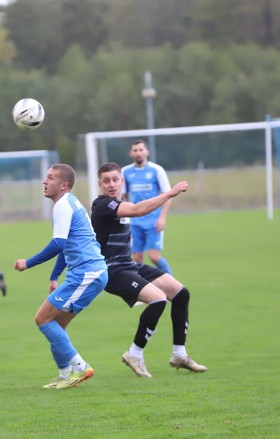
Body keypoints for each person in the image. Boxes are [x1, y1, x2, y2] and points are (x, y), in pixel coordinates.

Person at [92, 162, 207, 378]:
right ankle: (134, 354)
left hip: (129, 265)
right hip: (111, 271)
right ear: (100, 184)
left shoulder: (120, 202)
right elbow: (138, 210)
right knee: (158, 299)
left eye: (115, 179)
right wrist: (170, 193)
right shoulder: (102, 205)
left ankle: (179, 354)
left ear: (121, 181)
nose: (111, 184)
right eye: (106, 181)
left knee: (181, 294)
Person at [14, 164, 108, 389]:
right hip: (90, 272)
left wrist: (28, 263)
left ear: (64, 185)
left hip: (87, 273)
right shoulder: (68, 203)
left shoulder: (63, 205)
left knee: (42, 319)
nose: (45, 182)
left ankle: (80, 366)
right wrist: (54, 276)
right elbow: (66, 247)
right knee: (55, 325)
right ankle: (66, 374)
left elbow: (58, 244)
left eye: (51, 178)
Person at [122, 139, 175, 274]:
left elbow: (167, 195)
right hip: (135, 222)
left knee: (154, 256)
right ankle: (144, 289)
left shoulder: (157, 170)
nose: (138, 153)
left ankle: (172, 284)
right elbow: (124, 196)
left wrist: (162, 218)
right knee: (137, 258)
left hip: (153, 220)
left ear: (147, 152)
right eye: (135, 150)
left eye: (141, 149)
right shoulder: (125, 172)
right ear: (131, 153)